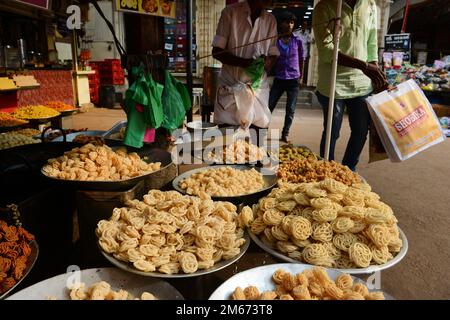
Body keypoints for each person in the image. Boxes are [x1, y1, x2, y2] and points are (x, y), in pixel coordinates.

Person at [312, 0, 388, 171]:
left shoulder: (369, 5)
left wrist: (374, 70)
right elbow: (326, 52)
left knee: (361, 131)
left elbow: (371, 42)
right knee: (332, 131)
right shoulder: (324, 7)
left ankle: (348, 170)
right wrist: (364, 66)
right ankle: (325, 171)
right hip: (333, 82)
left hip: (361, 83)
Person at [211, 0, 279, 135]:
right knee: (228, 145)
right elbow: (217, 51)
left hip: (257, 91)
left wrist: (266, 62)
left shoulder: (270, 20)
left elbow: (273, 54)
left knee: (256, 143)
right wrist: (244, 63)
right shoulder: (230, 13)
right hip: (231, 88)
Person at [268, 11, 304, 143]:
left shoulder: (298, 41)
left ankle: (285, 133)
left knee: (290, 109)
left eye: (292, 22)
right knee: (269, 105)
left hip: (293, 79)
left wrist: (302, 77)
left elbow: (301, 59)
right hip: (279, 78)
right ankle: (263, 129)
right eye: (287, 22)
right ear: (281, 24)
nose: (289, 25)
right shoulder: (275, 41)